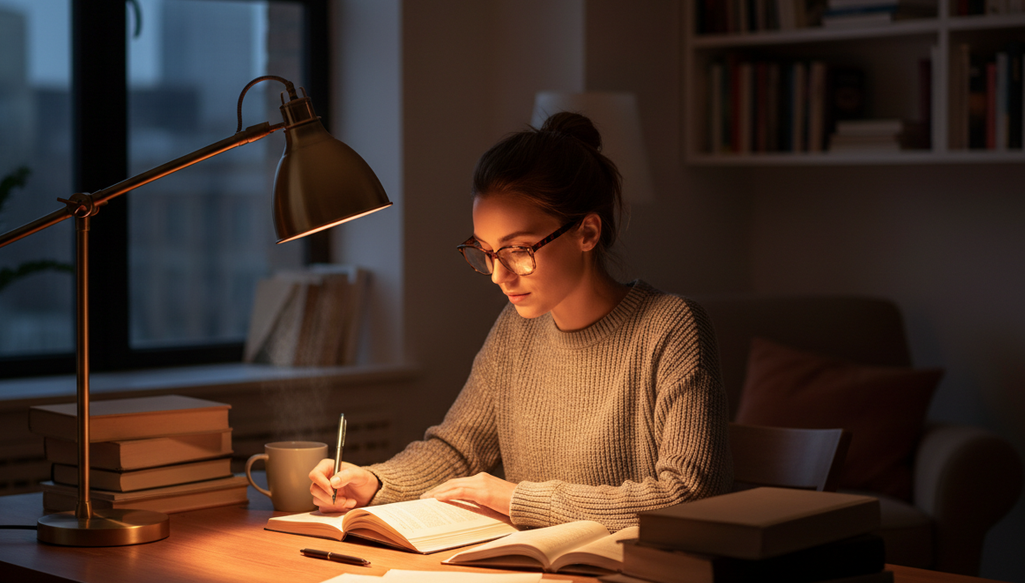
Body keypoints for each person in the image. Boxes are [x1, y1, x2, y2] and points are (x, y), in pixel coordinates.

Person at [309, 111, 732, 531]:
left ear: (587, 232)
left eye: (518, 250)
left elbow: (689, 492)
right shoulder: (516, 329)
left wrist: (517, 499)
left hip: (630, 568)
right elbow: (457, 449)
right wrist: (376, 481)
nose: (498, 275)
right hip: (527, 563)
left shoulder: (671, 328)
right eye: (486, 252)